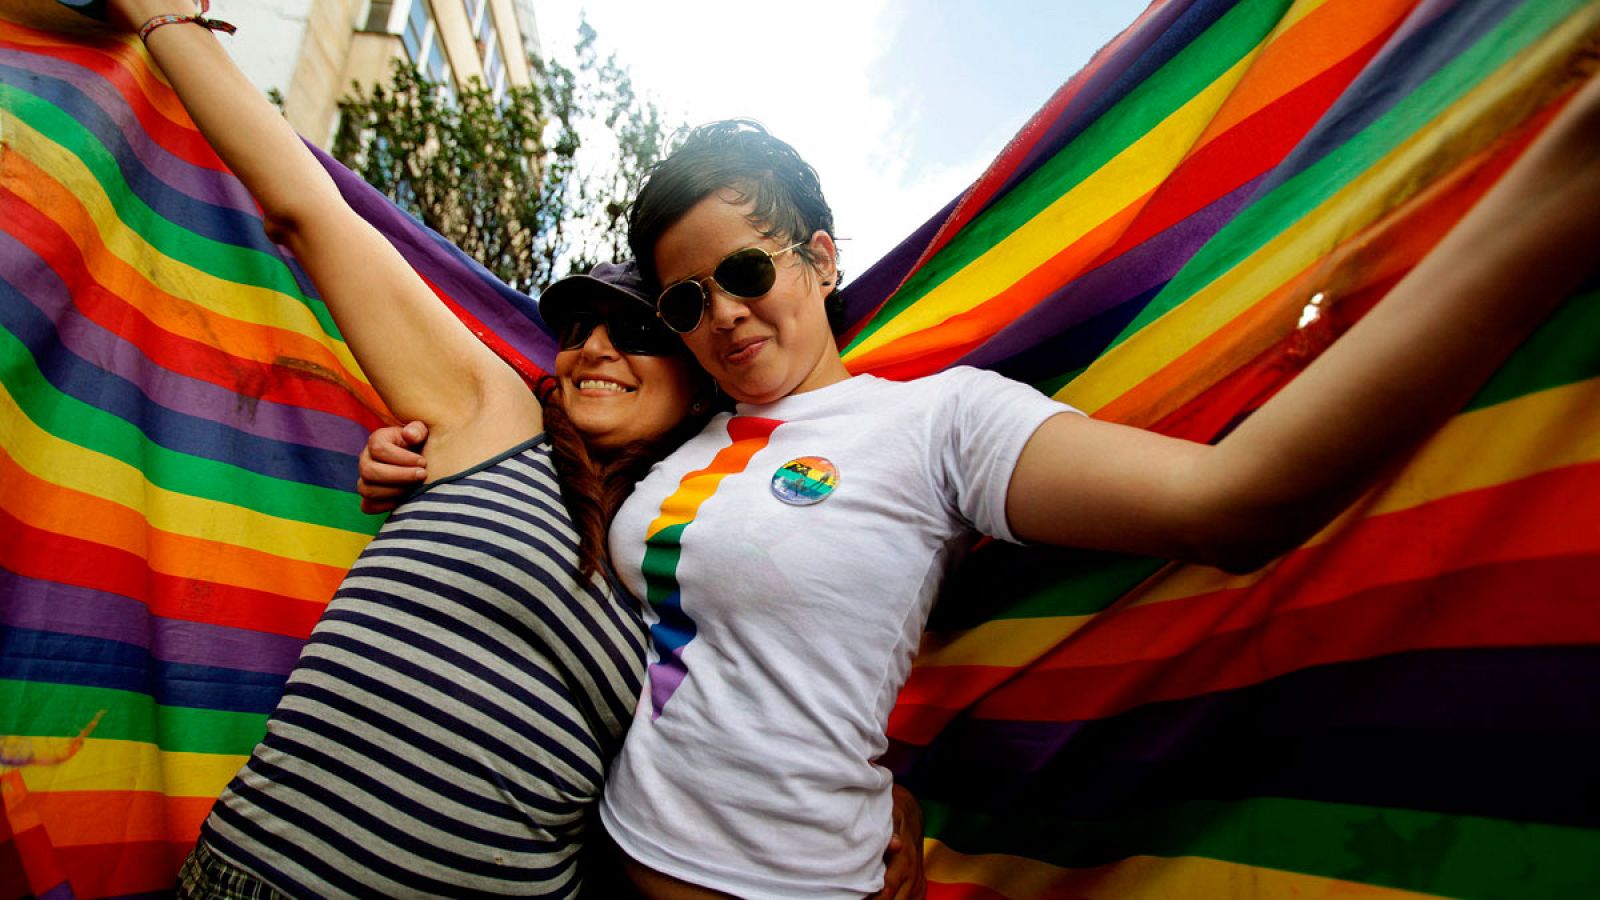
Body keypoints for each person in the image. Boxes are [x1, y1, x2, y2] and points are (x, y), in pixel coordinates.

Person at [359, 38, 1600, 900]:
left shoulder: (939, 423)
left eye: (747, 272)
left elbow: (1237, 503)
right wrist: (411, 466)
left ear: (820, 257)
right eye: (686, 300)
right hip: (588, 867)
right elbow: (545, 466)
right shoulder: (680, 443)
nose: (724, 317)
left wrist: (1566, 182)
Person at [65, 2, 931, 898]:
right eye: (578, 326)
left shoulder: (708, 553)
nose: (595, 347)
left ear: (703, 364)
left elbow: (783, 709)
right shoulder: (492, 422)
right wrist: (164, 18)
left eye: (641, 328)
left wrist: (879, 799)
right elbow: (307, 214)